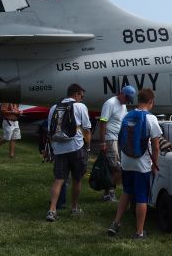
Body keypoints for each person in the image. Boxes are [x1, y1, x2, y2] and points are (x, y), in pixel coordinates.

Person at [107, 88, 162, 239]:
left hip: (126, 161)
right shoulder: (151, 119)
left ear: (138, 100)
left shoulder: (127, 115)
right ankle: (139, 232)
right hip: (141, 163)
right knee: (141, 197)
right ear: (151, 102)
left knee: (126, 192)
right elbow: (156, 147)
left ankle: (116, 223)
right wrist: (154, 165)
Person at [45, 84, 91, 222]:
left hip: (59, 148)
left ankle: (52, 210)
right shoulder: (80, 107)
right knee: (77, 179)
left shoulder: (54, 108)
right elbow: (87, 129)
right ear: (76, 94)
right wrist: (88, 147)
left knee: (59, 179)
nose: (82, 99)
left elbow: (49, 130)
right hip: (76, 147)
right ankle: (74, 207)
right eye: (81, 96)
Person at [98, 85, 136, 202]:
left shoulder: (123, 105)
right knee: (117, 167)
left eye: (129, 99)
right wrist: (102, 142)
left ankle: (108, 192)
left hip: (118, 138)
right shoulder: (110, 103)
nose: (127, 101)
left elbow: (124, 121)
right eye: (126, 98)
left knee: (113, 167)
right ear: (120, 93)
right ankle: (109, 192)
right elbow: (103, 122)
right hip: (110, 138)